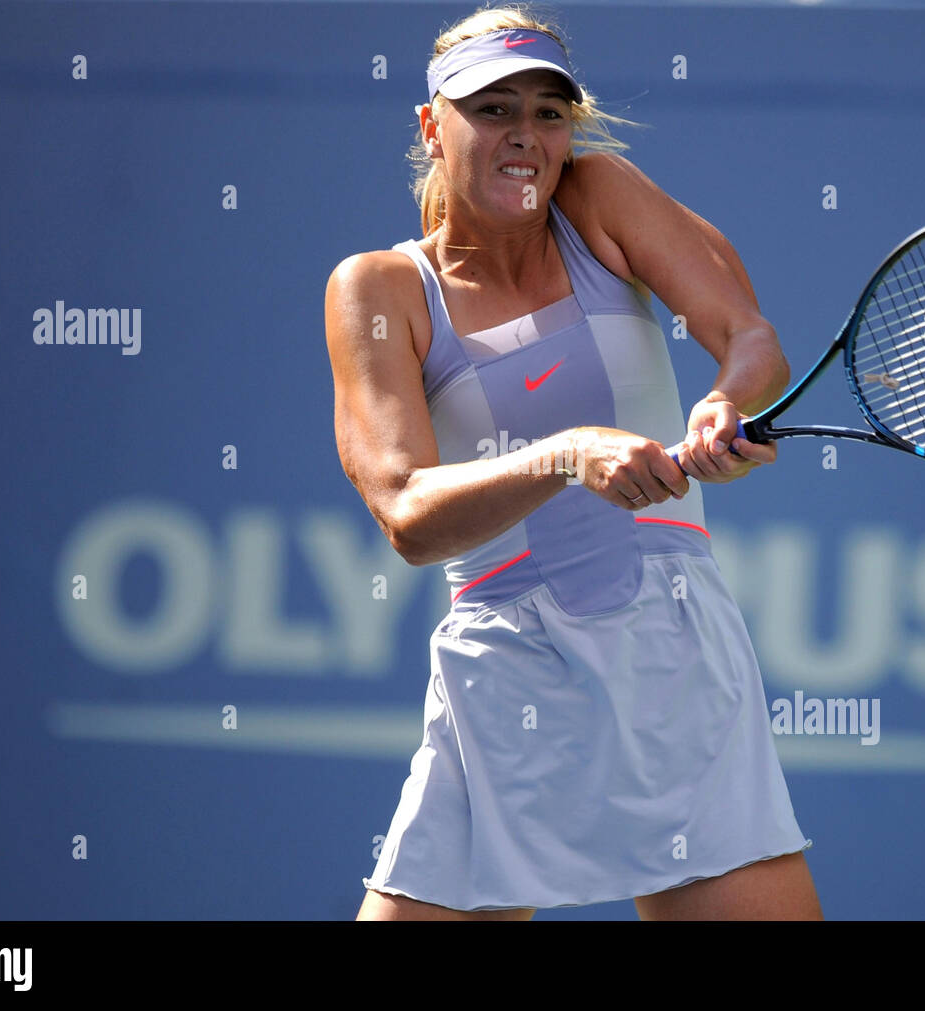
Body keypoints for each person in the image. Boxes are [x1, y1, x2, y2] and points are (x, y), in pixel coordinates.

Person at [325, 6, 822, 921]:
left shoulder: (602, 197)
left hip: (674, 664)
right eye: (495, 108)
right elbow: (404, 512)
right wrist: (563, 455)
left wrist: (724, 402)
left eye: (549, 113)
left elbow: (749, 338)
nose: (526, 136)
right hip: (504, 679)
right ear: (434, 126)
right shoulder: (380, 288)